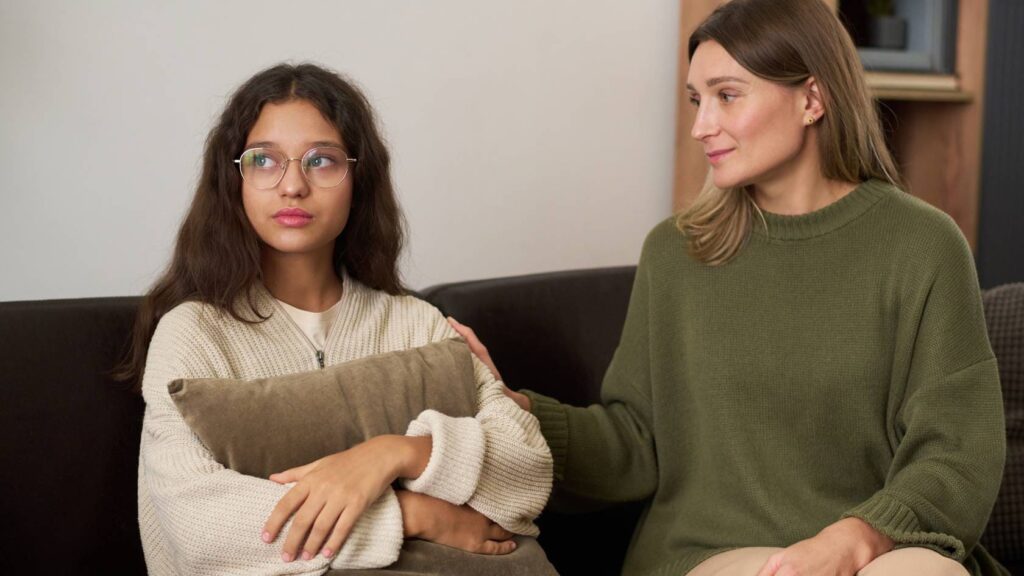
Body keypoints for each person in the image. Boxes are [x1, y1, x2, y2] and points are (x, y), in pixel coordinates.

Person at [451, 1, 1007, 575]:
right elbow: (636, 444)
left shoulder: (921, 245)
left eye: (727, 95)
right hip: (713, 553)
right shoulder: (676, 252)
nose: (701, 125)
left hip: (877, 546)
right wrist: (514, 410)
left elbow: (956, 449)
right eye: (697, 99)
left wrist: (855, 537)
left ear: (812, 100)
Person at [119, 63, 552, 575]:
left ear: (358, 178)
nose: (293, 186)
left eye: (321, 160)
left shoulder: (417, 323)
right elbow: (199, 527)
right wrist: (409, 514)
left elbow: (528, 469)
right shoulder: (192, 333)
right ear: (233, 179)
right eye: (264, 161)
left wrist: (394, 454)